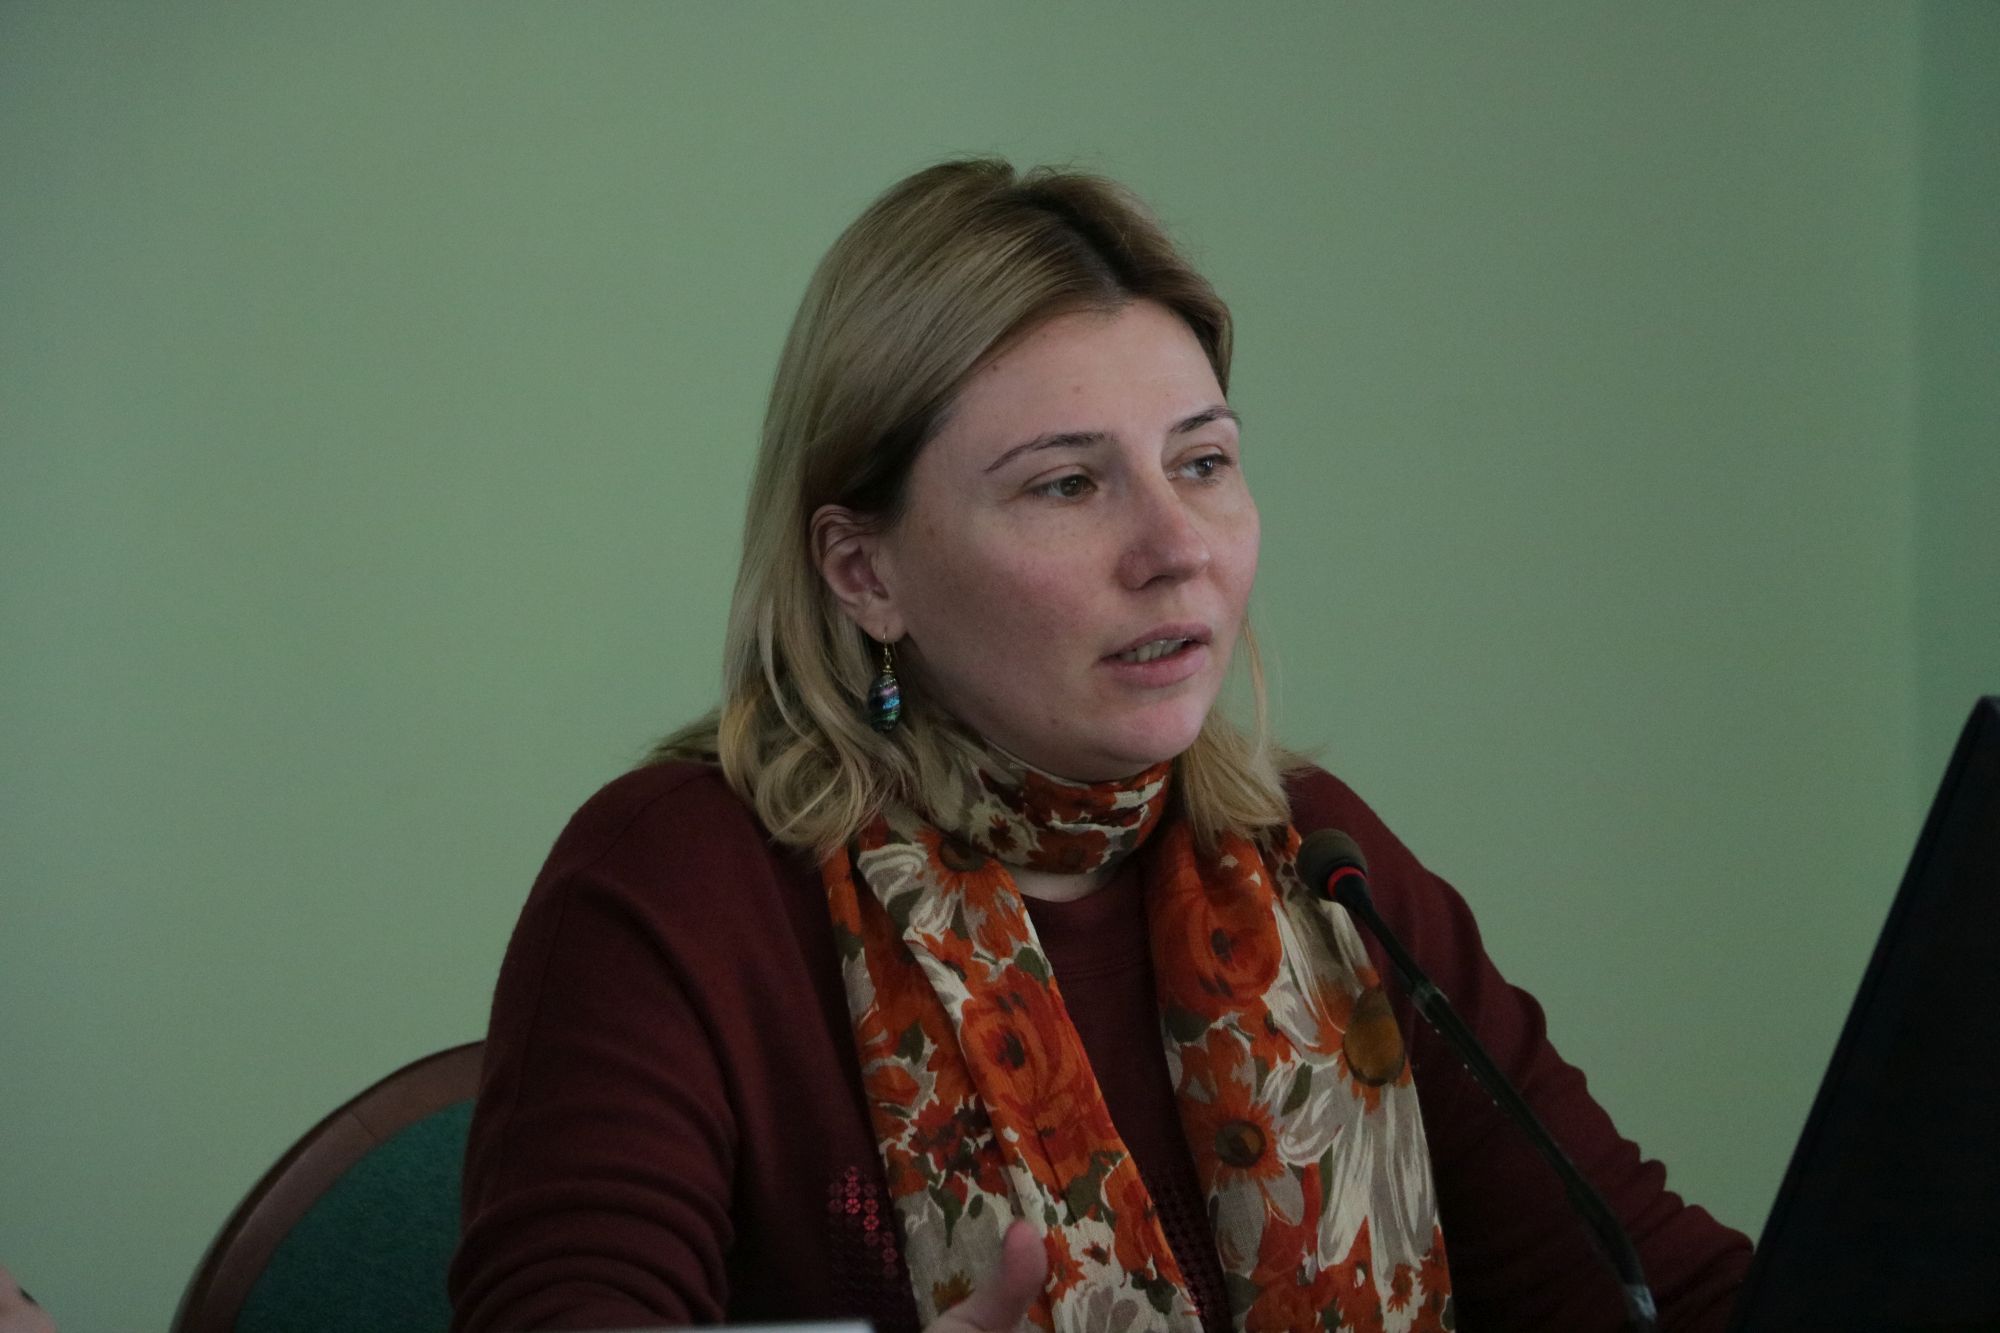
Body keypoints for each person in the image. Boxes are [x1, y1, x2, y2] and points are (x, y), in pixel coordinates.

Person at [449, 158, 1751, 1332]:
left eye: (1204, 463)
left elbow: (1661, 1290)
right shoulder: (682, 884)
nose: (1176, 546)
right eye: (1067, 483)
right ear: (863, 572)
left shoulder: (1322, 866)